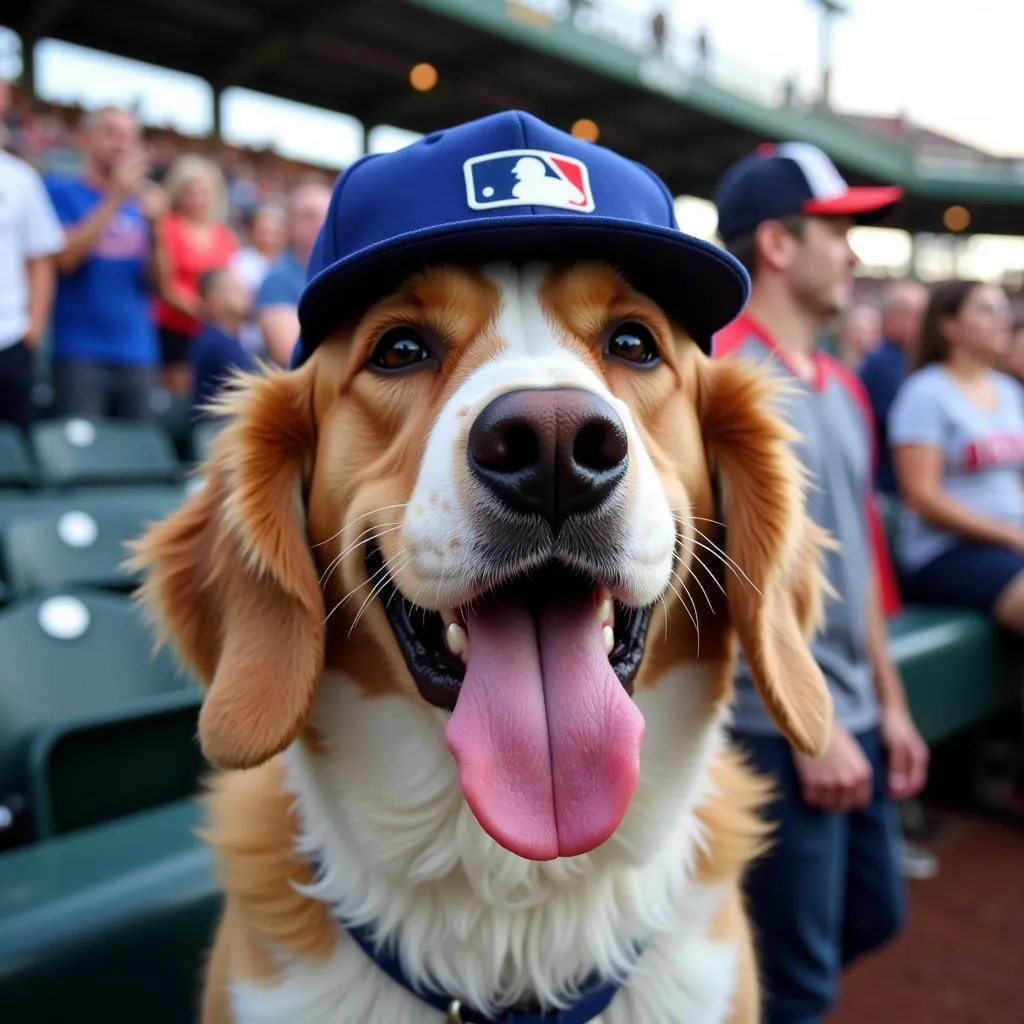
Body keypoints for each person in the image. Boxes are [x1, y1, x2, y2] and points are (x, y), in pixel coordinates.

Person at [711, 141, 930, 1024]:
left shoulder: (841, 381)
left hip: (855, 709)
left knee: (875, 916)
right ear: (776, 242)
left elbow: (861, 562)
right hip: (772, 723)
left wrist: (893, 701)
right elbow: (709, 576)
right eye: (836, 231)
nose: (853, 252)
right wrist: (810, 729)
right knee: (799, 988)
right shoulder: (719, 371)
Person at [44, 106, 164, 421]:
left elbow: (159, 284)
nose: (122, 144)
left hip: (138, 352)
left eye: (130, 137)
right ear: (86, 139)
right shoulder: (60, 190)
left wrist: (157, 228)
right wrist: (115, 197)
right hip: (79, 352)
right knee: (85, 464)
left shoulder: (144, 205)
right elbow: (66, 259)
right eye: (111, 133)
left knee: (136, 458)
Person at [0, 78, 64, 434]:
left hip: (11, 341)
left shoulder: (20, 178)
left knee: (16, 461)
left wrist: (32, 332)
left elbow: (41, 259)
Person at [153, 155, 238, 398]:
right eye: (190, 191)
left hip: (212, 332)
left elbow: (227, 280)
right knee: (180, 397)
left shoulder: (224, 235)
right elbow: (164, 284)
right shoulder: (168, 226)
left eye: (203, 191)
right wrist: (202, 310)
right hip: (174, 331)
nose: (197, 199)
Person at [859, 278, 929, 494]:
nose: (921, 323)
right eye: (912, 314)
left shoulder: (910, 358)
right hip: (890, 491)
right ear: (890, 317)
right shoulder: (883, 362)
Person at [256, 182, 331, 366]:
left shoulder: (344, 272)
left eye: (327, 215)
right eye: (309, 216)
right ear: (290, 225)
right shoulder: (278, 280)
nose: (320, 223)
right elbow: (288, 353)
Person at [836, 301, 881, 371]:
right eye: (870, 332)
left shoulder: (877, 364)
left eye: (876, 331)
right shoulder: (828, 356)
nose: (877, 337)